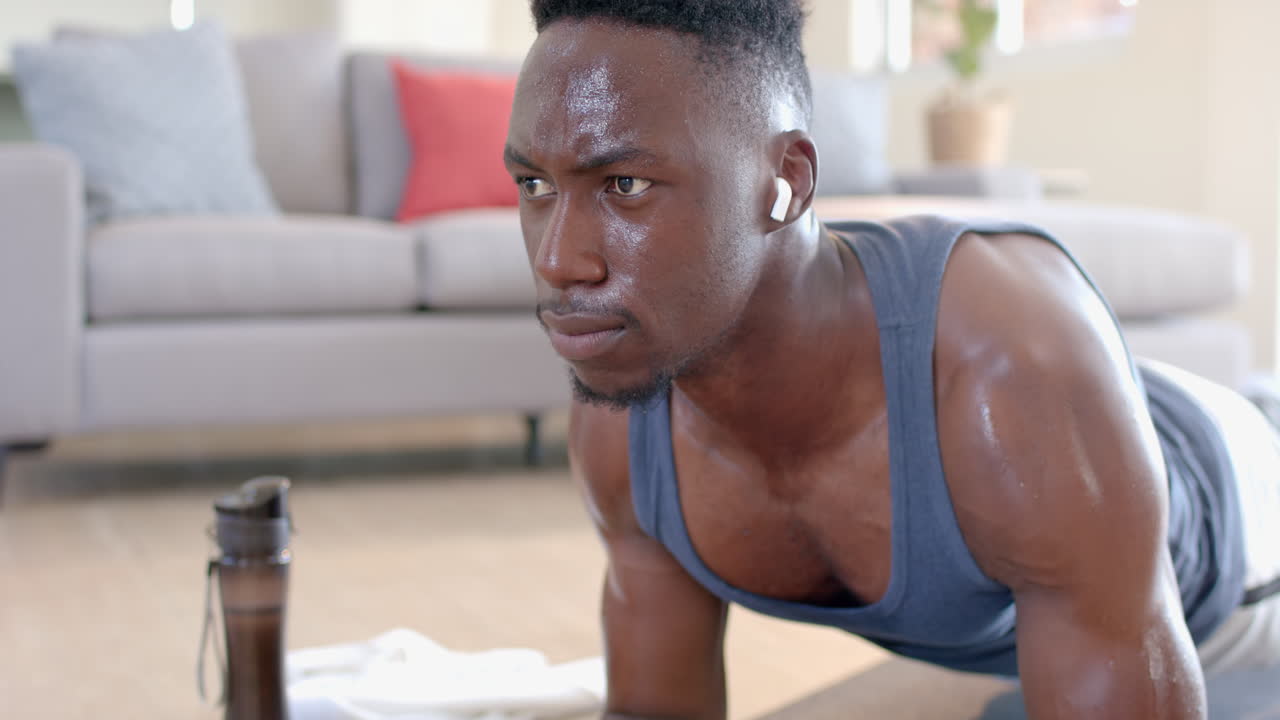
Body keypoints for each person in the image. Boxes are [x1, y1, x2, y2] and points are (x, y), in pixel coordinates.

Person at [502, 1, 1280, 717]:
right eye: (534, 183)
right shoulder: (625, 411)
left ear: (786, 181)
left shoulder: (1007, 372)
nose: (559, 261)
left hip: (1246, 542)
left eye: (625, 183)